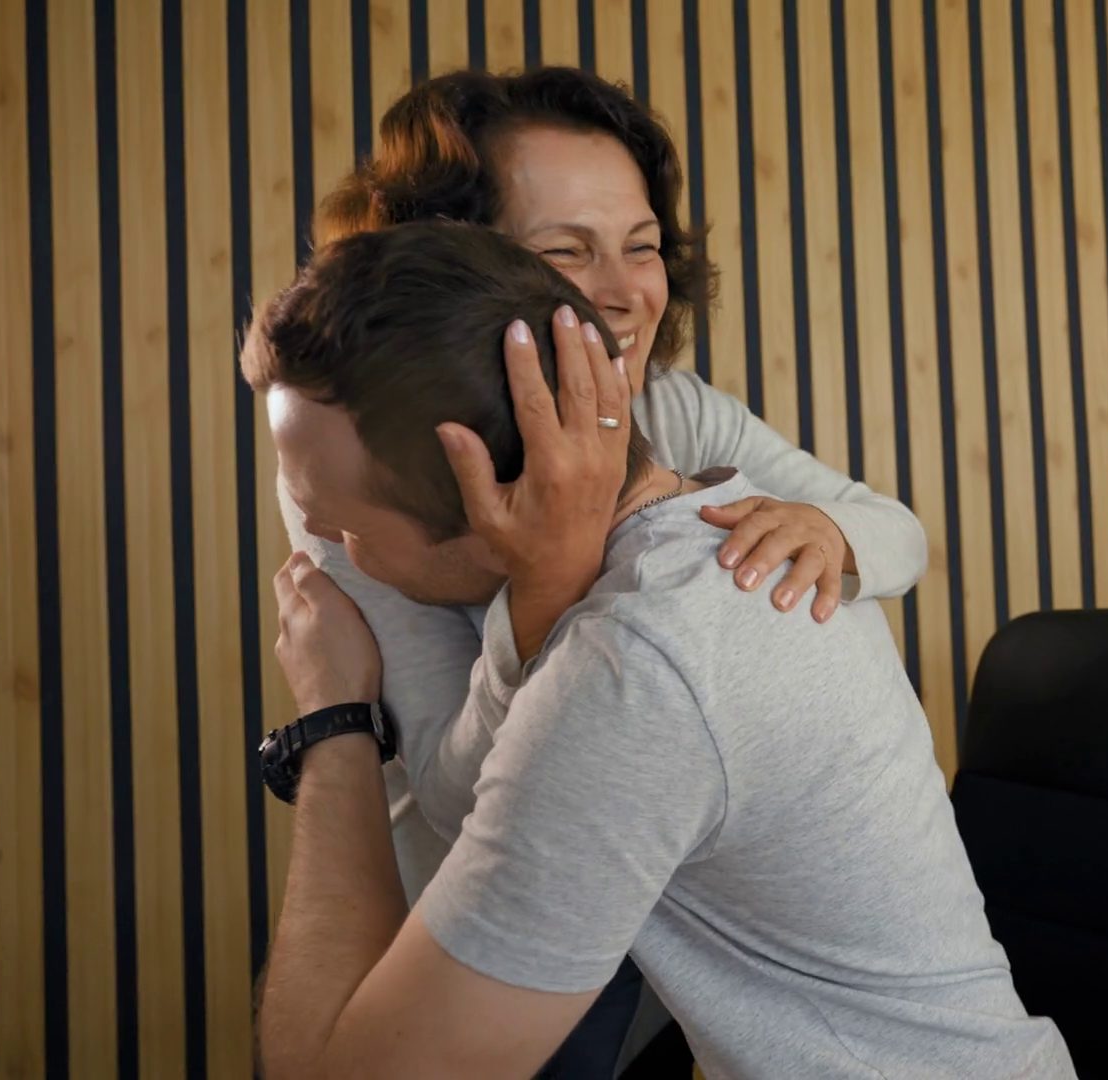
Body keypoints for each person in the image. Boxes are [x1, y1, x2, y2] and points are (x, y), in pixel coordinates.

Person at [247, 220, 1073, 1079]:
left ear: (487, 496)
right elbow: (469, 792)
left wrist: (334, 721)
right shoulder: (715, 538)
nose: (326, 547)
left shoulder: (637, 668)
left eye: (342, 524)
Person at [287, 67, 928, 1072]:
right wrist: (549, 589)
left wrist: (824, 530)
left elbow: (897, 531)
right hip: (479, 903)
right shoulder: (368, 470)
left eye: (641, 246)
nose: (627, 292)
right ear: (452, 271)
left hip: (678, 900)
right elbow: (457, 799)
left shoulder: (674, 412)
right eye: (566, 252)